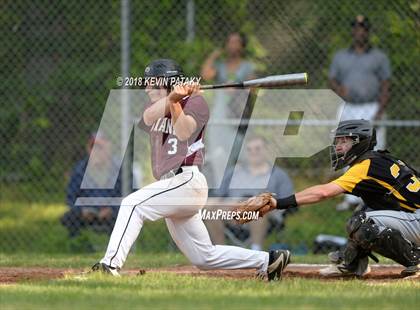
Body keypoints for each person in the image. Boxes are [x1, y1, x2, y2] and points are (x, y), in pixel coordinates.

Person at [91, 59, 290, 281]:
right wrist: (173, 97)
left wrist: (177, 102)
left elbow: (184, 132)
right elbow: (147, 118)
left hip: (186, 182)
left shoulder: (197, 103)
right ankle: (269, 260)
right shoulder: (153, 105)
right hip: (171, 187)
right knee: (204, 257)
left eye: (153, 83)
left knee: (132, 203)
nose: (147, 88)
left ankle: (109, 265)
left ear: (168, 82)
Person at [236, 120, 419, 278]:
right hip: (414, 217)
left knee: (362, 222)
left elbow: (323, 192)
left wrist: (277, 203)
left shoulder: (365, 166)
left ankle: (415, 260)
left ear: (359, 142)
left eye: (344, 141)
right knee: (364, 211)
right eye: (337, 141)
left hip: (416, 219)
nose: (338, 146)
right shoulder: (381, 160)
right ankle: (353, 264)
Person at [329, 15, 392, 211]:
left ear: (368, 31)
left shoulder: (378, 57)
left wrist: (380, 110)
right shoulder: (341, 56)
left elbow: (386, 84)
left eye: (363, 28)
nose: (359, 31)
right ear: (352, 31)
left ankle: (372, 195)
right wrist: (339, 90)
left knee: (374, 149)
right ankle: (351, 197)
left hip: (371, 106)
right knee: (347, 149)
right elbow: (332, 79)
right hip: (349, 106)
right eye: (356, 28)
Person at [205, 135, 295, 251]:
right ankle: (220, 252)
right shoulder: (234, 172)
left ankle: (256, 250)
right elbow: (218, 196)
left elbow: (287, 202)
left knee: (259, 207)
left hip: (264, 214)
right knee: (211, 210)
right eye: (249, 149)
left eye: (257, 149)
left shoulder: (278, 175)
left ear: (266, 150)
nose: (253, 152)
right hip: (232, 212)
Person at [201, 32, 255, 186]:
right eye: (230, 42)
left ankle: (237, 184)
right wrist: (214, 55)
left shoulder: (247, 66)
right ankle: (220, 186)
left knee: (236, 150)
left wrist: (237, 89)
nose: (232, 45)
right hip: (220, 114)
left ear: (242, 46)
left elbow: (252, 89)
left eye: (236, 42)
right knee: (218, 152)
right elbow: (205, 75)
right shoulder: (221, 66)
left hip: (236, 114)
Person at [61, 132, 121, 243]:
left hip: (112, 214)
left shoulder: (120, 169)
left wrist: (112, 209)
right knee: (69, 217)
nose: (96, 151)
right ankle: (78, 245)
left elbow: (130, 196)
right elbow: (71, 198)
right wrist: (83, 210)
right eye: (93, 147)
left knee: (123, 217)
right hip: (88, 214)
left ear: (109, 149)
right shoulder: (80, 169)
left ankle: (118, 247)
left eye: (100, 148)